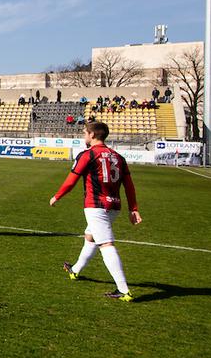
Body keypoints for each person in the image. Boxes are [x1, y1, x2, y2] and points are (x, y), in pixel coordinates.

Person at [50, 121, 143, 302]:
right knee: (90, 236)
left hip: (96, 206)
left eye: (85, 132)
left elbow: (71, 181)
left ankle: (124, 290)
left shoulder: (88, 155)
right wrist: (133, 209)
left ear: (92, 135)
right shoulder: (118, 156)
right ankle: (75, 270)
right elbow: (129, 186)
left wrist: (57, 196)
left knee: (106, 244)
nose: (84, 135)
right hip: (114, 206)